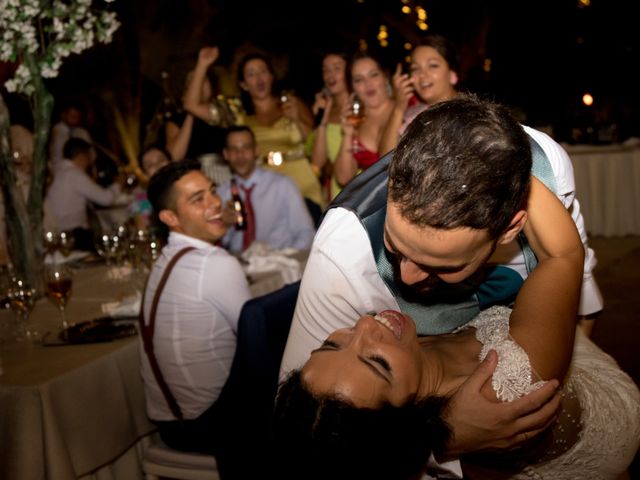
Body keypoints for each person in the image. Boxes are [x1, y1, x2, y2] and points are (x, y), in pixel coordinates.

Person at [279, 95, 604, 472]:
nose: (405, 277)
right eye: (395, 248)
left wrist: (483, 158)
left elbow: (576, 275)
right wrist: (440, 440)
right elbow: (308, 433)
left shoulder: (550, 168)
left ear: (510, 227)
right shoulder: (342, 253)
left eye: (442, 266)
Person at [140, 160, 251, 476]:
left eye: (212, 191)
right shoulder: (213, 264)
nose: (214, 202)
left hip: (168, 422)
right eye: (197, 199)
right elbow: (260, 343)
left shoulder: (166, 258)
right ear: (170, 218)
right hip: (203, 424)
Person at [237, 52, 324, 208]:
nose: (259, 78)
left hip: (302, 181)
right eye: (251, 74)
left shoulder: (292, 103)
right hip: (265, 185)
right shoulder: (241, 119)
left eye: (263, 71)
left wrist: (297, 119)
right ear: (243, 84)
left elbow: (316, 143)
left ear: (271, 77)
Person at [217, 125, 315, 253]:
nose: (240, 155)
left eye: (246, 148)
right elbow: (218, 244)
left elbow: (306, 232)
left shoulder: (282, 185)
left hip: (280, 262)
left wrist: (287, 261)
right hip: (240, 265)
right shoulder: (221, 193)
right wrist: (225, 225)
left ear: (256, 150)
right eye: (234, 149)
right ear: (226, 154)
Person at [379, 33, 460, 156]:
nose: (422, 75)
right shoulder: (413, 115)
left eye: (432, 66)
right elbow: (385, 164)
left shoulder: (471, 113)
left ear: (452, 74)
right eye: (415, 69)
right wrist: (398, 108)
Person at [44, 137, 128, 251]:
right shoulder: (74, 174)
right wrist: (119, 183)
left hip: (56, 232)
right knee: (114, 242)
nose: (90, 161)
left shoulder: (57, 169)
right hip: (73, 235)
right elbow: (106, 199)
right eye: (89, 156)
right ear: (81, 156)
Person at [333, 51, 394, 187]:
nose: (368, 84)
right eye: (359, 79)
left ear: (385, 77)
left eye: (374, 75)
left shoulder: (407, 108)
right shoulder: (356, 122)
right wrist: (348, 135)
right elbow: (343, 179)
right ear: (352, 87)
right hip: (375, 204)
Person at [309, 51, 350, 202]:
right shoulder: (327, 110)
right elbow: (317, 163)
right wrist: (322, 118)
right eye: (325, 70)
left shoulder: (361, 107)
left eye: (336, 68)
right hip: (336, 190)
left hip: (361, 183)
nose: (330, 75)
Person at [127, 145, 171, 230]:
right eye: (150, 165)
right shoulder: (140, 203)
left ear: (171, 162)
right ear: (145, 174)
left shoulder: (189, 189)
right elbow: (144, 234)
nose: (158, 165)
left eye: (161, 160)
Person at [48, 98, 93, 167]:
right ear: (63, 115)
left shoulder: (82, 132)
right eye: (72, 116)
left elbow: (91, 155)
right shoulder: (56, 131)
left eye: (77, 117)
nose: (75, 120)